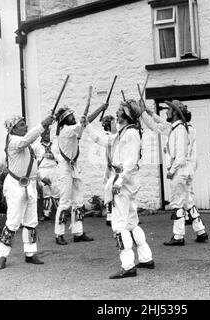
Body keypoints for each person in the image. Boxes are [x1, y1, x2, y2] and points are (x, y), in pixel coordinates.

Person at [85, 99, 154, 279]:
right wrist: (87, 126)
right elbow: (104, 139)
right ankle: (146, 258)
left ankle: (128, 265)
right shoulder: (125, 132)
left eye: (119, 111)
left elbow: (130, 162)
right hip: (126, 182)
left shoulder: (130, 133)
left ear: (127, 114)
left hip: (123, 182)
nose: (116, 114)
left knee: (119, 225)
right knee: (131, 222)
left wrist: (118, 181)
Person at [140, 100, 208, 245]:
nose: (166, 112)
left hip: (180, 171)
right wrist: (148, 113)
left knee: (177, 204)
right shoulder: (184, 128)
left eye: (169, 110)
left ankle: (178, 237)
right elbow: (160, 125)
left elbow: (180, 155)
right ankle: (201, 231)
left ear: (175, 113)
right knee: (189, 202)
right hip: (187, 171)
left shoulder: (178, 130)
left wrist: (171, 170)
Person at [0, 113, 54, 270]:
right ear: (13, 129)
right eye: (22, 125)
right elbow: (26, 139)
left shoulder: (27, 145)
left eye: (25, 124)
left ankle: (30, 253)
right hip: (15, 185)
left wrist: (41, 177)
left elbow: (31, 165)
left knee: (31, 221)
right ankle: (3, 255)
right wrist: (42, 125)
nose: (26, 126)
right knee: (13, 222)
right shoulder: (14, 141)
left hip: (29, 184)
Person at [53, 102, 106, 245]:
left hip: (73, 167)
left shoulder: (72, 130)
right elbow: (86, 121)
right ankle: (59, 234)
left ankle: (78, 232)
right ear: (64, 120)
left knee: (78, 201)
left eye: (73, 115)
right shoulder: (66, 130)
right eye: (70, 117)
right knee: (64, 202)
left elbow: (83, 125)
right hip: (64, 168)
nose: (73, 118)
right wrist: (100, 108)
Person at [33, 128, 59, 221]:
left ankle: (59, 211)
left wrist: (53, 156)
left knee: (56, 189)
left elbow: (60, 157)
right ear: (41, 135)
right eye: (45, 133)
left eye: (48, 133)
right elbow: (34, 159)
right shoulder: (36, 146)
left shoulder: (55, 144)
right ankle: (46, 213)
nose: (47, 135)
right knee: (46, 191)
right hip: (43, 169)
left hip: (53, 168)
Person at [99, 115, 117, 226]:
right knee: (108, 190)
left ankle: (117, 214)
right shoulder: (105, 137)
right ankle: (109, 215)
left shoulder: (116, 135)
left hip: (115, 166)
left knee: (116, 190)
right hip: (107, 167)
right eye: (112, 123)